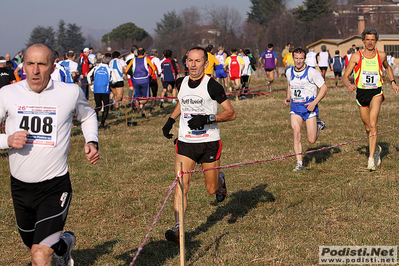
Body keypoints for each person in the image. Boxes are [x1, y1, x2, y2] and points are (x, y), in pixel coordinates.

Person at [0, 43, 99, 265]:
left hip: (55, 186)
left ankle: (52, 251)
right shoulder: (7, 94)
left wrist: (91, 140)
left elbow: (88, 115)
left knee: (39, 254)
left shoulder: (69, 92)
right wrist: (7, 140)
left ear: (52, 67)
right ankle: (62, 248)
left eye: (41, 64)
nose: (35, 70)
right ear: (22, 66)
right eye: (30, 64)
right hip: (20, 188)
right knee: (32, 245)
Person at [161, 46, 236, 244]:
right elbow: (182, 102)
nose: (193, 65)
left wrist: (207, 118)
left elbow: (231, 113)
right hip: (186, 142)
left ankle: (220, 182)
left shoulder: (212, 86)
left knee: (210, 189)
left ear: (205, 63)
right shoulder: (181, 82)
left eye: (198, 61)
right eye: (190, 60)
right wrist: (170, 120)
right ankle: (178, 229)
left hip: (209, 143)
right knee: (181, 185)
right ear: (186, 62)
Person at [342, 27, 399, 171]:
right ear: (363, 40)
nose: (370, 42)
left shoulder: (381, 55)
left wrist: (392, 82)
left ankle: (371, 158)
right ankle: (377, 148)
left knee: (373, 124)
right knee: (368, 127)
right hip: (361, 94)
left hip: (376, 92)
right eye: (367, 39)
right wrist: (349, 84)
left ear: (376, 41)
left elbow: (388, 68)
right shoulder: (357, 56)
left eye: (373, 40)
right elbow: (345, 75)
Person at [284, 47, 328, 171]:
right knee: (296, 133)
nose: (298, 61)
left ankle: (318, 125)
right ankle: (299, 163)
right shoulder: (289, 71)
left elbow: (324, 88)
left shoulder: (312, 72)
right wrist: (288, 97)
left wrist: (314, 102)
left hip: (309, 108)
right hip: (296, 108)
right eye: (296, 58)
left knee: (312, 140)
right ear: (293, 59)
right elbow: (289, 84)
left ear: (305, 59)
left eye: (301, 59)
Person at [126, 48, 155, 118]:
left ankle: (143, 112)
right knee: (145, 98)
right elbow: (153, 68)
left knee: (140, 96)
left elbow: (127, 70)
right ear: (144, 53)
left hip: (136, 80)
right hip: (145, 80)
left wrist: (133, 75)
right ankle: (138, 102)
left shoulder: (133, 60)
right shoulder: (146, 59)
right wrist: (150, 76)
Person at [88, 53, 112, 129]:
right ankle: (102, 123)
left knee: (98, 106)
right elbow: (112, 79)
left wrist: (90, 84)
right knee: (106, 106)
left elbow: (88, 75)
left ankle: (95, 118)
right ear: (108, 62)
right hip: (105, 90)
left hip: (96, 89)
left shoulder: (96, 67)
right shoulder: (109, 69)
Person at [109, 51, 127, 116]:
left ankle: (118, 111)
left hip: (112, 81)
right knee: (119, 97)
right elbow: (125, 68)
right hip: (119, 80)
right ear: (119, 56)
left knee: (116, 96)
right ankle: (113, 102)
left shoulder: (110, 62)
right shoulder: (120, 61)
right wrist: (125, 73)